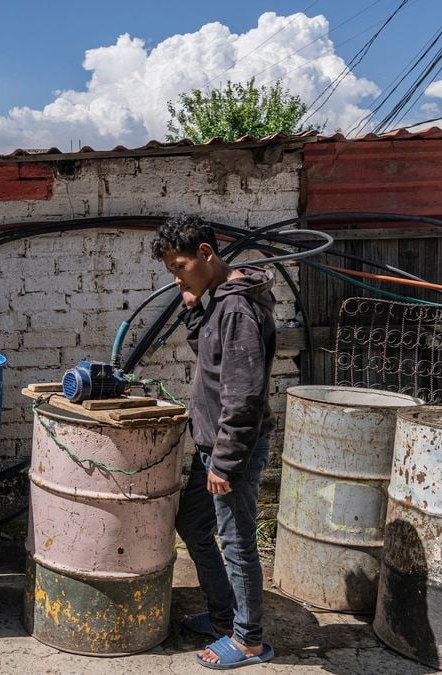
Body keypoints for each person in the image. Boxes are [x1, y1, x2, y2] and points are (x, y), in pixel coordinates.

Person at [150, 214, 277, 669]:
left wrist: (224, 462)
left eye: (180, 266)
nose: (176, 275)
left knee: (237, 540)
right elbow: (210, 355)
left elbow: (244, 395)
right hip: (215, 444)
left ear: (206, 253)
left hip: (230, 448)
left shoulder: (238, 308)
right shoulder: (220, 302)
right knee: (193, 523)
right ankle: (226, 616)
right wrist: (191, 306)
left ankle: (248, 640)